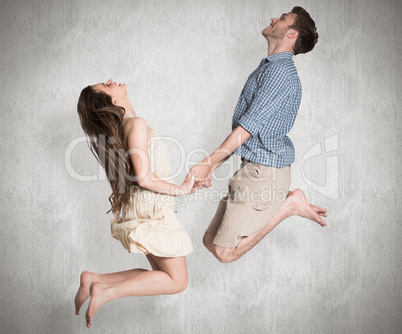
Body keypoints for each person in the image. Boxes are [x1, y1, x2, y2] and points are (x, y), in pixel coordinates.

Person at [186, 7, 327, 263]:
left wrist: (207, 163)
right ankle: (290, 202)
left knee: (225, 252)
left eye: (282, 19)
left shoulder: (279, 72)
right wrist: (210, 168)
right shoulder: (269, 68)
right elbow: (248, 131)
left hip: (264, 174)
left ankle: (289, 206)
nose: (274, 18)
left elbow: (247, 128)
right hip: (253, 169)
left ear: (292, 34)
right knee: (211, 241)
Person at [75, 79, 200, 328]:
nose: (111, 80)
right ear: (112, 101)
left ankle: (93, 280)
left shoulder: (125, 128)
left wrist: (180, 188)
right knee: (178, 281)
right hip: (152, 208)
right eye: (106, 85)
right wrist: (181, 189)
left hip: (144, 206)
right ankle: (104, 291)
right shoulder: (135, 124)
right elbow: (144, 178)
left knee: (164, 276)